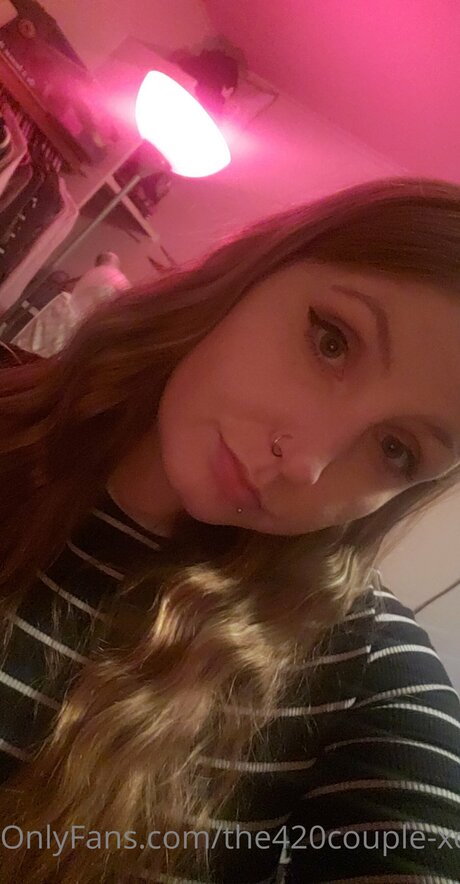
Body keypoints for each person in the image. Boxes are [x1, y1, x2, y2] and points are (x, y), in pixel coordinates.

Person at [0, 176, 459, 884]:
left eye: (396, 449)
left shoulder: (360, 668)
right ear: (261, 266)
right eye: (333, 342)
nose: (305, 462)